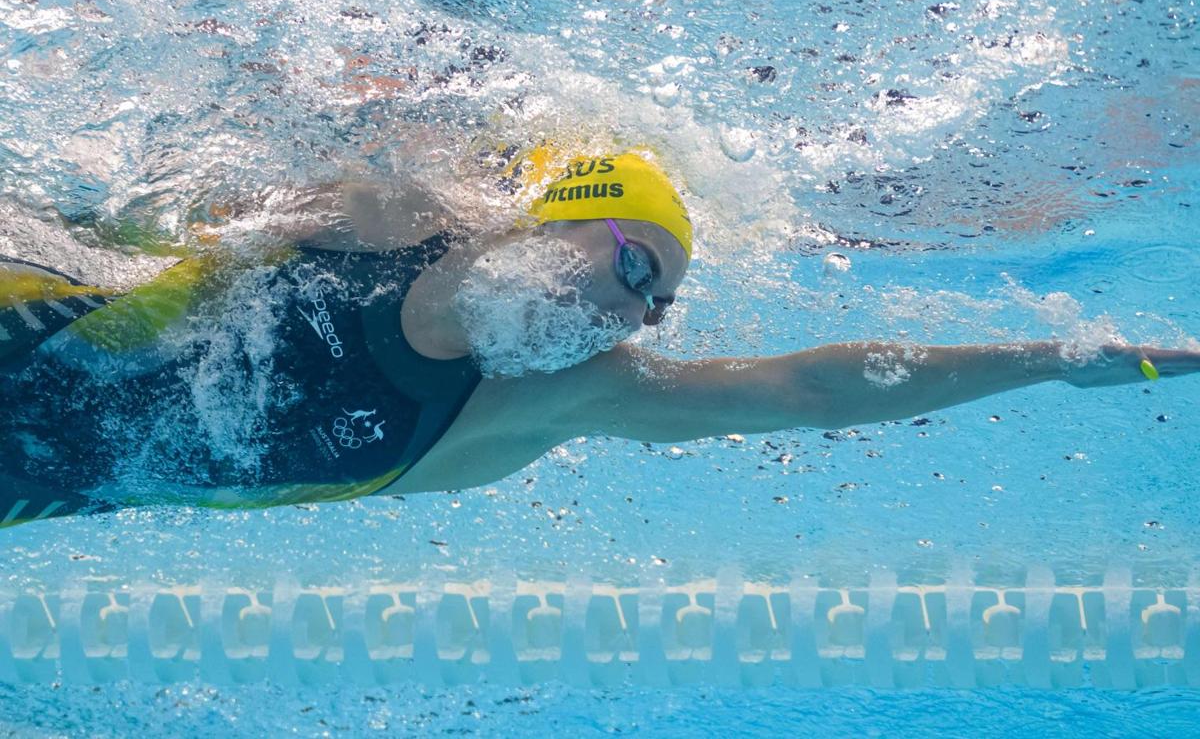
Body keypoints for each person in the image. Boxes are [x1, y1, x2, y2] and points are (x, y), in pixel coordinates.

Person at [1, 146, 1197, 529]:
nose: (643, 313)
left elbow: (805, 390)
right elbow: (138, 203)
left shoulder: (536, 407)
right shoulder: (380, 214)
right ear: (547, 220)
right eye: (637, 266)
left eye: (662, 300)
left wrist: (1059, 359)